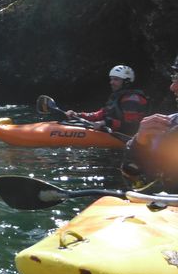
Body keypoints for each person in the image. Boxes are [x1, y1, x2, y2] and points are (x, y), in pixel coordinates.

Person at [121, 56, 178, 193]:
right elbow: (137, 185)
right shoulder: (167, 126)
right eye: (175, 77)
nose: (173, 87)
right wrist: (139, 145)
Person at [64, 65, 148, 136]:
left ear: (126, 82)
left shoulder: (132, 99)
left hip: (125, 137)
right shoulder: (118, 96)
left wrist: (106, 123)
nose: (111, 82)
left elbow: (132, 127)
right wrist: (78, 115)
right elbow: (100, 114)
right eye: (111, 79)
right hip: (113, 132)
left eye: (116, 79)